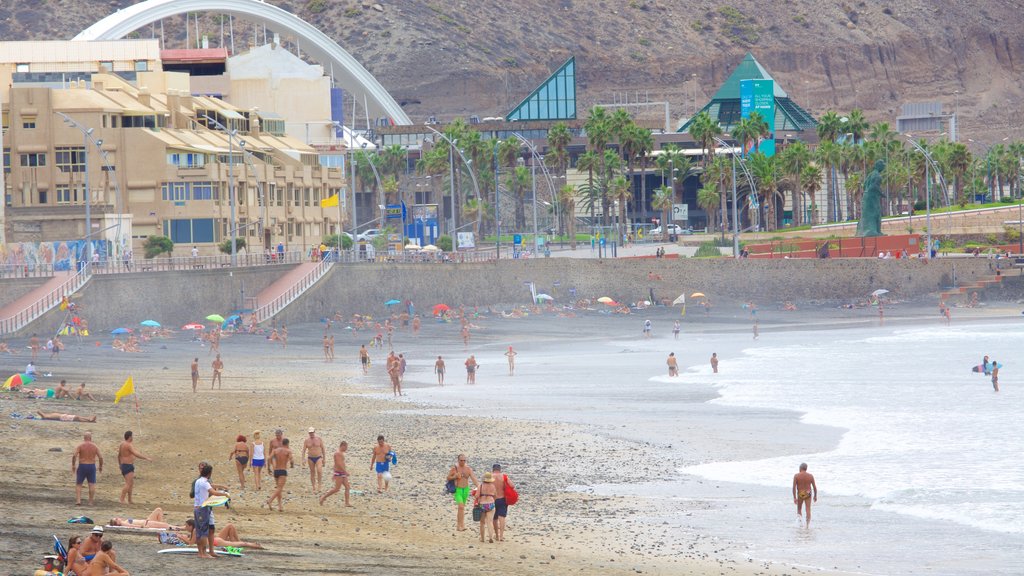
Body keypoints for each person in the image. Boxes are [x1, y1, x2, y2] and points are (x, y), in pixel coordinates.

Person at [193, 463, 229, 557]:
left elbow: (210, 485)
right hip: (203, 508)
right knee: (204, 532)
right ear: (209, 473)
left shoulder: (198, 481)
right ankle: (204, 553)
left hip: (197, 508)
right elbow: (213, 492)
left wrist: (222, 486)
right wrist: (224, 494)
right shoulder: (204, 483)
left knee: (199, 531)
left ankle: (200, 553)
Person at [118, 431, 151, 504]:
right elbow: (136, 454)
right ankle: (122, 499)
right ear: (130, 437)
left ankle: (130, 499)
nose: (133, 437)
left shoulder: (122, 444)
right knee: (128, 483)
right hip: (127, 465)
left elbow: (119, 455)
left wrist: (120, 464)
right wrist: (146, 458)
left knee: (131, 483)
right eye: (132, 436)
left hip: (124, 465)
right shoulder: (128, 445)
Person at [447, 454, 479, 532]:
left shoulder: (468, 469)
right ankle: (459, 525)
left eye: (464, 460)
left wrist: (479, 487)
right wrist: (455, 476)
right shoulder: (454, 468)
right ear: (458, 460)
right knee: (460, 506)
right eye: (461, 460)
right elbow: (448, 477)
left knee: (462, 507)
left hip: (466, 489)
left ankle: (462, 525)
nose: (463, 462)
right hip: (458, 490)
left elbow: (473, 478)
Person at [182, 519, 264, 549]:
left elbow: (191, 544)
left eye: (186, 526)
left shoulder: (195, 531)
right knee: (230, 527)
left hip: (216, 542)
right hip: (215, 540)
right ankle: (235, 542)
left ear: (191, 526)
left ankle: (256, 545)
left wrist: (182, 538)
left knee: (243, 543)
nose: (185, 528)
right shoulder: (195, 531)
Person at [72, 432, 103, 505]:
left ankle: (78, 501)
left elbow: (74, 456)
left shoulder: (80, 445)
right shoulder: (95, 446)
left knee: (79, 484)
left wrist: (73, 465)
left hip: (82, 465)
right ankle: (90, 502)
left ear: (84, 438)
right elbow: (101, 457)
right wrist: (100, 466)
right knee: (91, 484)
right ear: (91, 438)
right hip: (91, 466)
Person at [320, 440, 352, 507]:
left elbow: (337, 464)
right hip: (339, 473)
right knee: (336, 489)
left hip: (342, 473)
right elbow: (338, 463)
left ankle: (347, 503)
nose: (346, 449)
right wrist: (345, 471)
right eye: (346, 447)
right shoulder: (338, 453)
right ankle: (323, 497)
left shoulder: (340, 453)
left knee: (347, 487)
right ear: (343, 446)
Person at [265, 438, 294, 512]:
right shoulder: (288, 451)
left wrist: (268, 468)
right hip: (283, 470)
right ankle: (270, 500)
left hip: (276, 471)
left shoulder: (275, 450)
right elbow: (291, 459)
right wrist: (292, 465)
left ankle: (280, 506)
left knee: (279, 489)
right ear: (287, 444)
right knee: (279, 489)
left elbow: (269, 458)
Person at [491, 463, 513, 542]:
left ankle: (496, 535)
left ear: (493, 469)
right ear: (500, 469)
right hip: (502, 499)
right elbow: (512, 485)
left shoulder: (490, 476)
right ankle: (501, 536)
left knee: (494, 518)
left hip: (493, 499)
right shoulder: (504, 476)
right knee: (502, 517)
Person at [109, 507, 182, 530]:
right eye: (116, 519)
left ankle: (162, 527)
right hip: (147, 524)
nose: (118, 518)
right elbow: (131, 526)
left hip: (147, 521)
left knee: (158, 510)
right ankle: (181, 528)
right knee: (166, 525)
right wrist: (142, 526)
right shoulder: (122, 523)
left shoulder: (124, 522)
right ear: (117, 523)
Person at [302, 427, 325, 493]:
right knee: (312, 472)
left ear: (314, 432)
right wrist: (303, 459)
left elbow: (323, 449)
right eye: (310, 432)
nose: (311, 434)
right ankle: (314, 487)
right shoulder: (306, 440)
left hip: (318, 457)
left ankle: (319, 486)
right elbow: (304, 450)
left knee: (319, 470)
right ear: (308, 433)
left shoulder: (319, 439)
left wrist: (324, 459)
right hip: (310, 458)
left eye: (312, 432)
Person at [477, 472, 498, 543]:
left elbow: (477, 495)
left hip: (482, 504)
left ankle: (482, 538)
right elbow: (496, 496)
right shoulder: (493, 486)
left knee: (482, 522)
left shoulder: (481, 485)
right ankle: (491, 537)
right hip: (490, 504)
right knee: (490, 521)